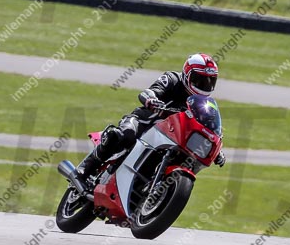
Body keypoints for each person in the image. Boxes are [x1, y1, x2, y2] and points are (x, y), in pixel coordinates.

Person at [76, 53, 225, 184]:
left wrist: (216, 149)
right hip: (145, 122)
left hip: (169, 138)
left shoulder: (203, 105)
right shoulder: (172, 79)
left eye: (210, 81)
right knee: (123, 134)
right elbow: (150, 91)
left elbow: (207, 127)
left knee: (183, 159)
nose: (204, 85)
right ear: (187, 74)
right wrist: (152, 100)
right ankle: (86, 168)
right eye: (200, 80)